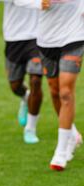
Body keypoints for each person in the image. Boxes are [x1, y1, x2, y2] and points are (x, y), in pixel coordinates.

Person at [0, 0, 50, 144]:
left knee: (36, 80)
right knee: (15, 86)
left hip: (37, 37)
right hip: (13, 40)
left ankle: (30, 128)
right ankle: (25, 97)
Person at [32, 0, 84, 171]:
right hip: (47, 39)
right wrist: (37, 3)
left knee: (66, 92)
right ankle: (71, 135)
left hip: (74, 35)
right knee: (54, 92)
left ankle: (60, 152)